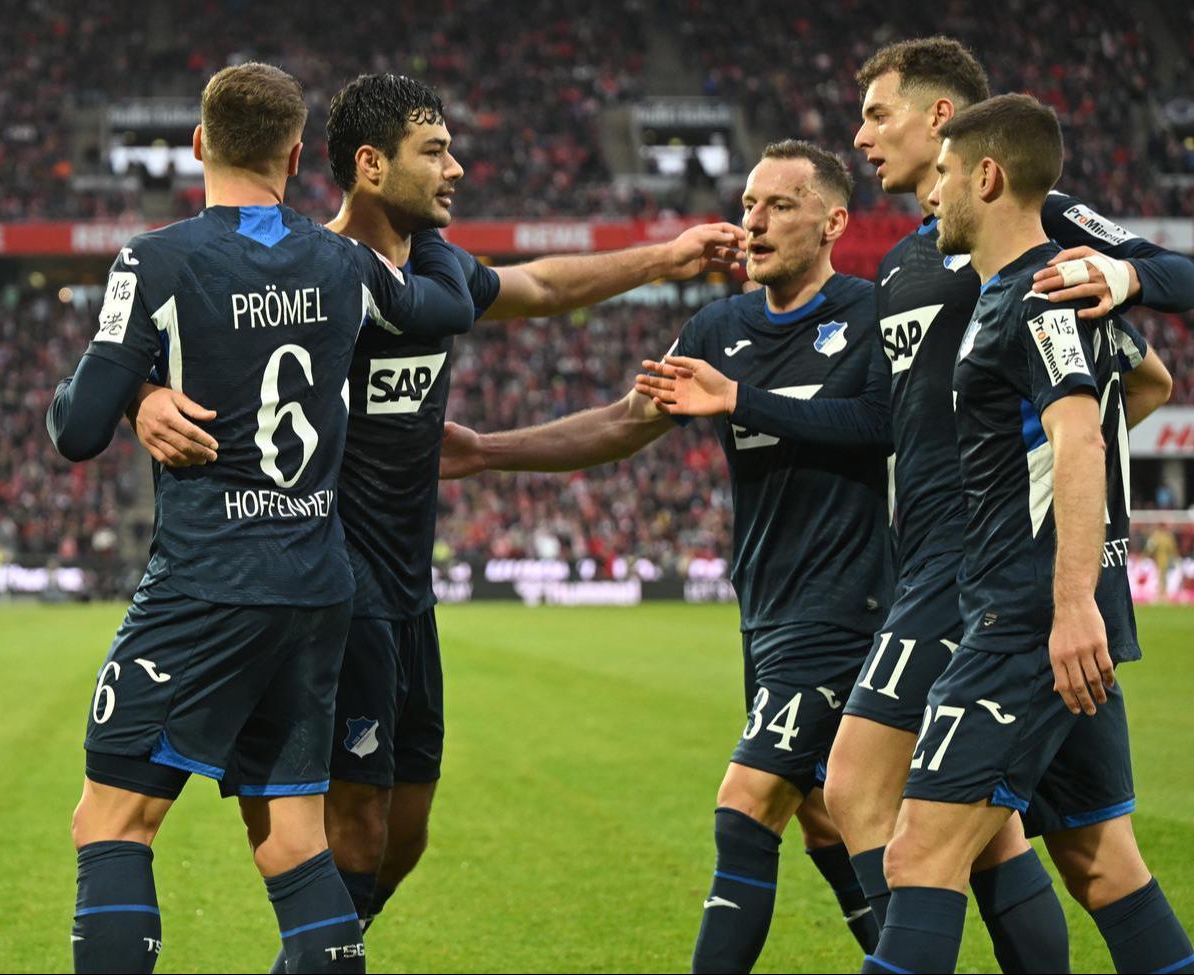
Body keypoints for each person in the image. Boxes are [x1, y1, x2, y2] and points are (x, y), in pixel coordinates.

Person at [125, 72, 746, 950]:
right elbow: (203, 345)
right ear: (371, 166)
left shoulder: (442, 267)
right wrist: (142, 395)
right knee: (356, 827)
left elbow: (538, 287)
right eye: (436, 151)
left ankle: (321, 951)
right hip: (336, 586)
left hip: (411, 594)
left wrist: (664, 256)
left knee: (404, 832)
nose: (456, 167)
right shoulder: (317, 272)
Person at [640, 35, 1190, 974]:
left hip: (978, 578)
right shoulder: (906, 263)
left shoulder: (1036, 223)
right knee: (1095, 857)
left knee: (867, 796)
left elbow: (1140, 374)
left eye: (877, 114)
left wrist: (1128, 279)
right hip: (956, 572)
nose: (860, 135)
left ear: (947, 128)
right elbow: (890, 419)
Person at [45, 62, 478, 975]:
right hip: (321, 591)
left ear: (199, 145)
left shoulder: (153, 259)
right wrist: (436, 240)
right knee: (293, 838)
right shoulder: (346, 261)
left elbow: (77, 429)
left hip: (208, 581)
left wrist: (135, 397)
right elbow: (444, 303)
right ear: (293, 154)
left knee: (113, 817)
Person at [442, 140, 890, 972]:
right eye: (749, 203)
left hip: (852, 600)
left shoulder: (872, 314)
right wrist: (484, 449)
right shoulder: (720, 327)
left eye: (779, 206)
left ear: (834, 222)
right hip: (767, 607)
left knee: (747, 804)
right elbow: (623, 423)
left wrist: (742, 400)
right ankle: (909, 953)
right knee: (824, 812)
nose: (754, 220)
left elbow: (885, 425)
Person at [860, 92, 1194, 975]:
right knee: (1101, 864)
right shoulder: (1059, 300)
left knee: (917, 855)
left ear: (986, 176)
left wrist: (1070, 598)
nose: (929, 194)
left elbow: (1079, 434)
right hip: (1057, 622)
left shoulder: (1030, 299)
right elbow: (1144, 384)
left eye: (941, 176)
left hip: (1026, 624)